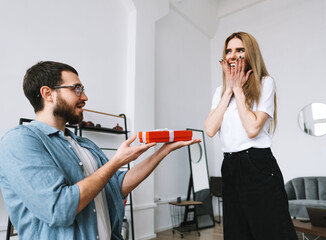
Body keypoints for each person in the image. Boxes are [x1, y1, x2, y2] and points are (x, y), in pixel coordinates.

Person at [0, 61, 200, 240]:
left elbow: (118, 185)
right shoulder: (19, 141)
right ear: (47, 93)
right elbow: (59, 208)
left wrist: (162, 151)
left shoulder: (85, 144)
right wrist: (115, 163)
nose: (85, 97)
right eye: (76, 89)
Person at [205, 32, 297, 240]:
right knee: (237, 232)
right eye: (228, 51)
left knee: (271, 231)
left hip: (257, 164)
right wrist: (229, 89)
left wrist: (238, 90)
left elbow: (252, 128)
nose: (232, 55)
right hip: (229, 165)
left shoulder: (265, 83)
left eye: (239, 50)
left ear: (250, 54)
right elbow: (210, 129)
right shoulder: (220, 91)